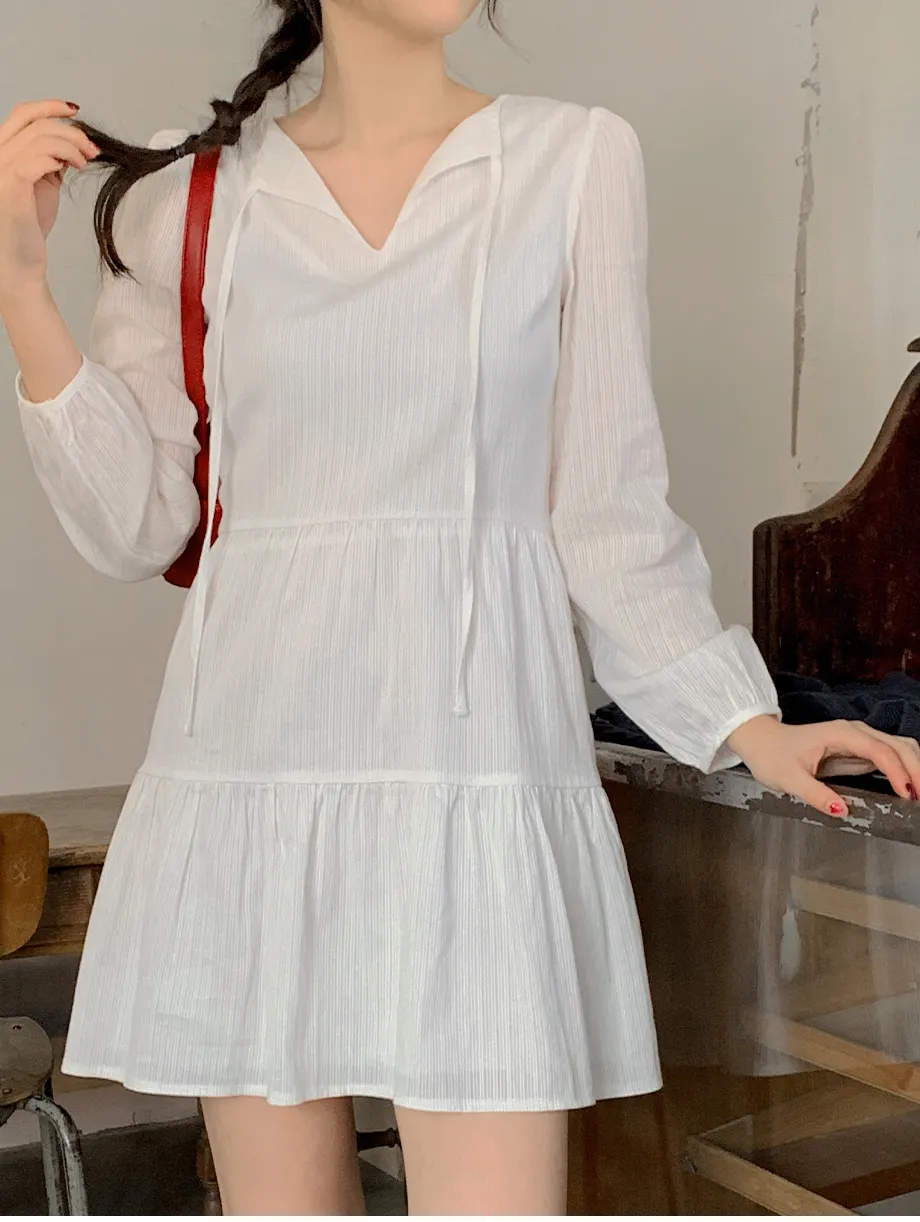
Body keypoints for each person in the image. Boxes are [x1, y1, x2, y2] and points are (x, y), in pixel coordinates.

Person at [1, 1, 918, 1214]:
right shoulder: (188, 193)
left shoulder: (571, 158)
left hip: (477, 771)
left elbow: (604, 511)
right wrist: (23, 286)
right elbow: (139, 524)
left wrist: (744, 723)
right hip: (251, 779)